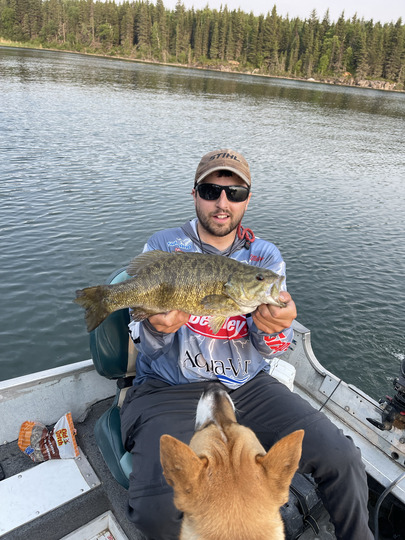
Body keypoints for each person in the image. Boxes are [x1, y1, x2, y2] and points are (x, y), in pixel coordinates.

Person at [120, 149, 373, 540]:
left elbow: (271, 348)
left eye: (234, 193)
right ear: (195, 194)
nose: (222, 202)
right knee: (158, 510)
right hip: (168, 386)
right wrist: (158, 327)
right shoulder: (164, 246)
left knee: (343, 458)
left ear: (247, 199)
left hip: (248, 385)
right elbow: (148, 348)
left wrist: (274, 329)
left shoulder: (264, 258)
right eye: (211, 190)